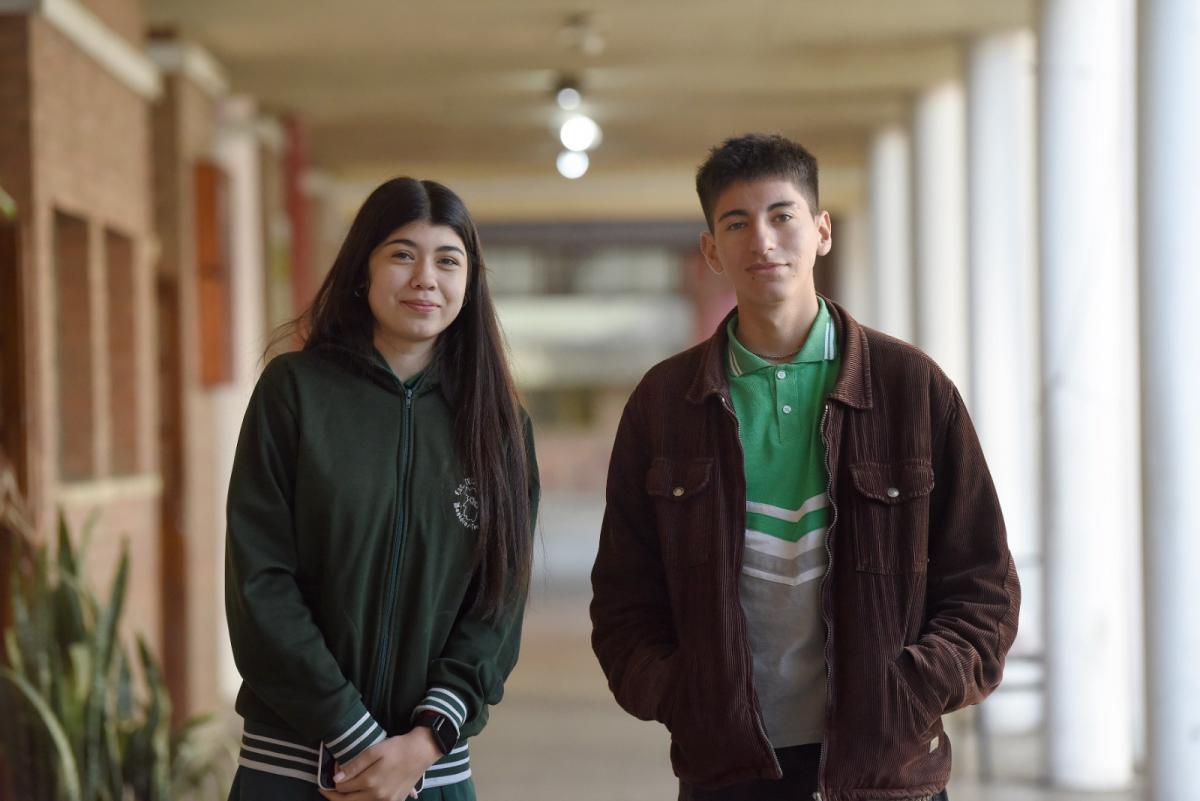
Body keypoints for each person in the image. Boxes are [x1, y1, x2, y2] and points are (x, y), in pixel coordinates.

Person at [590, 134, 1019, 801]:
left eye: (782, 215)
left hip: (886, 768)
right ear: (711, 249)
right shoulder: (665, 403)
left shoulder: (911, 386)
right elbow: (623, 596)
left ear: (820, 231)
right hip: (727, 768)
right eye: (736, 222)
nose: (762, 239)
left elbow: (984, 581)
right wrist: (683, 692)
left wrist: (914, 686)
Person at [225, 177, 538, 801]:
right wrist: (357, 736)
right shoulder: (295, 393)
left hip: (431, 770)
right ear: (362, 269)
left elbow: (497, 600)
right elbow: (261, 582)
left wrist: (423, 741)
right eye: (402, 254)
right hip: (293, 766)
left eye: (448, 260)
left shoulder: (499, 422)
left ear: (469, 282)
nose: (426, 278)